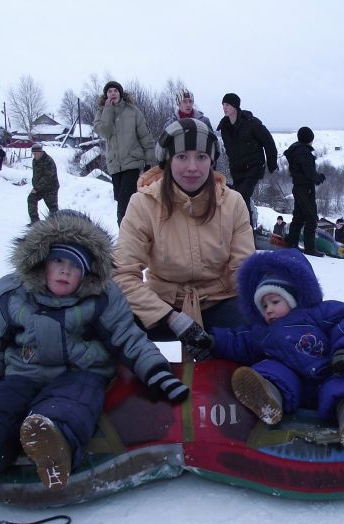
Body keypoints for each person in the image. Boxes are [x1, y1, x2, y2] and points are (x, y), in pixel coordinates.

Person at [0, 210, 188, 515]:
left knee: (71, 405)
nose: (65, 271)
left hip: (81, 372)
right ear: (41, 262)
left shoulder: (100, 299)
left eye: (75, 266)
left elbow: (129, 338)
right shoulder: (14, 296)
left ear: (88, 273)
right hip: (23, 372)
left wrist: (157, 372)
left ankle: (52, 447)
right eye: (58, 261)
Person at [185, 248, 344, 449]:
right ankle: (267, 398)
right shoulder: (263, 331)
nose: (269, 310)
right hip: (290, 379)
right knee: (269, 370)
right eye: (264, 306)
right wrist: (215, 341)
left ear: (294, 297)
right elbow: (240, 340)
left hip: (332, 370)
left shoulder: (319, 312)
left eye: (275, 301)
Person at [112, 118, 255, 352]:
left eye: (201, 157)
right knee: (111, 322)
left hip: (220, 300)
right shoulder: (143, 204)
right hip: (163, 303)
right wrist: (170, 318)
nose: (192, 167)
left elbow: (244, 269)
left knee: (261, 328)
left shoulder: (232, 203)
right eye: (181, 157)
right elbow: (123, 274)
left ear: (211, 161)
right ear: (167, 161)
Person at [93, 81, 156, 226]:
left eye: (115, 91)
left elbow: (145, 136)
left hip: (133, 162)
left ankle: (125, 232)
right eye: (109, 91)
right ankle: (132, 230)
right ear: (106, 95)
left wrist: (149, 161)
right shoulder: (101, 112)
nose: (113, 93)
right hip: (115, 166)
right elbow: (105, 132)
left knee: (124, 203)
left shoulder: (132, 111)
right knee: (124, 202)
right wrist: (108, 110)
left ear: (120, 93)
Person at [217, 93, 278, 228]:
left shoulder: (251, 122)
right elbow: (229, 150)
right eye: (223, 105)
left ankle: (247, 232)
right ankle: (240, 229)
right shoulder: (224, 127)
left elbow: (268, 141)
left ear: (235, 106)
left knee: (242, 197)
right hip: (237, 170)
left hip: (254, 167)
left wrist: (272, 164)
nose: (224, 107)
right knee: (238, 200)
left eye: (227, 104)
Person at [284, 127, 326, 257]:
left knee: (299, 216)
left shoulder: (296, 150)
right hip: (305, 188)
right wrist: (319, 178)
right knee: (311, 218)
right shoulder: (304, 152)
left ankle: (292, 243)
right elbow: (309, 173)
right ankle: (310, 248)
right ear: (309, 139)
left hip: (298, 187)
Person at [27, 143, 59, 224]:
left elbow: (47, 177)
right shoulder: (35, 161)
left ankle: (57, 224)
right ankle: (35, 222)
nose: (34, 155)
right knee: (31, 198)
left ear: (40, 152)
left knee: (52, 207)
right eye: (33, 154)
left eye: (35, 153)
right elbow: (36, 175)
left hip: (51, 188)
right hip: (40, 187)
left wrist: (36, 188)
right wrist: (35, 186)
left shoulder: (48, 161)